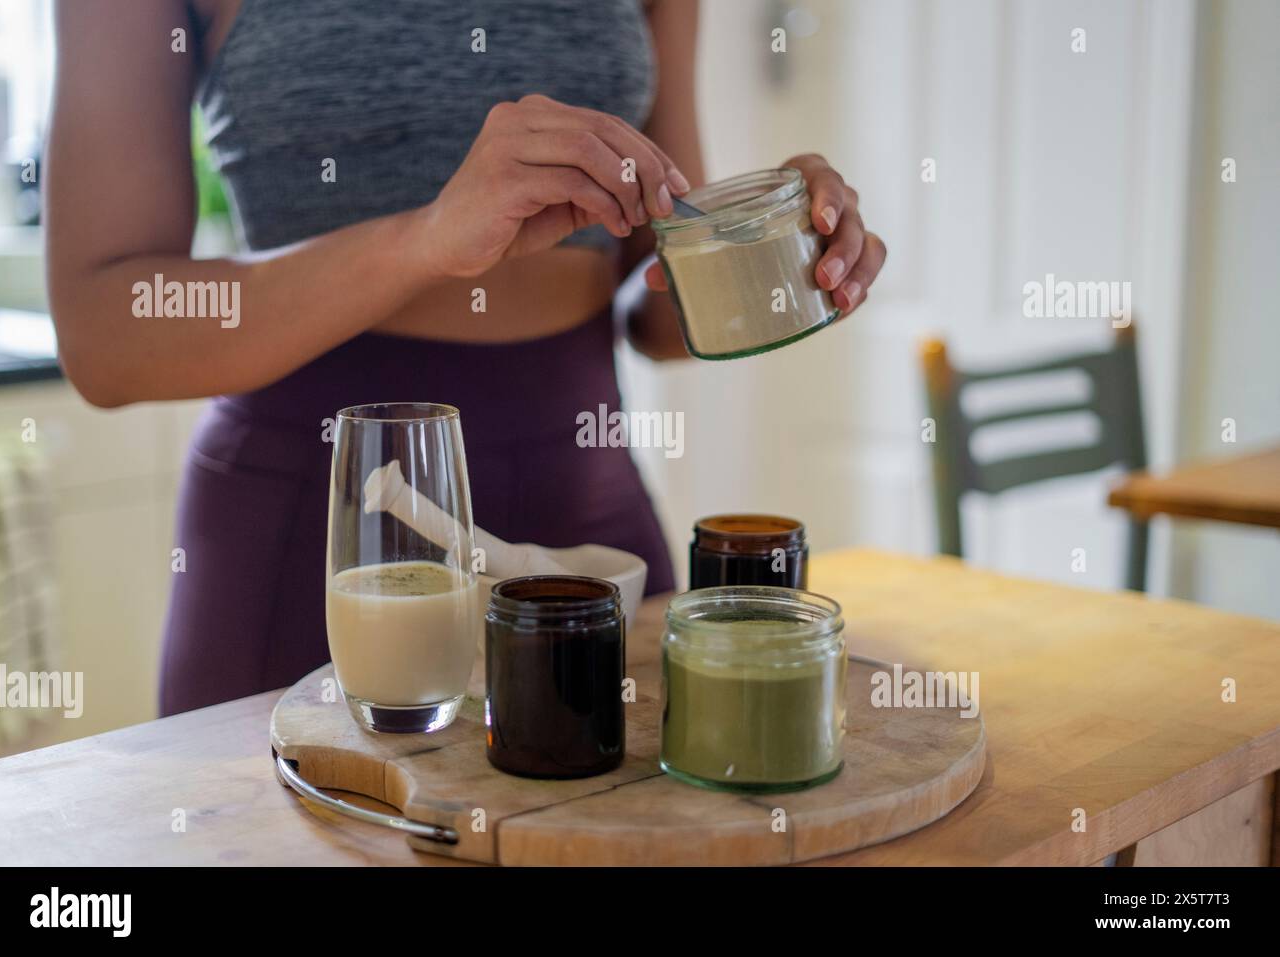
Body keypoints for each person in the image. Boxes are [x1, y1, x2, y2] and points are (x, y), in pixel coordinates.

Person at [45, 0, 886, 715]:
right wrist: (425, 239)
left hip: (585, 524)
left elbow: (653, 304)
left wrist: (766, 251)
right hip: (318, 530)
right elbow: (104, 334)